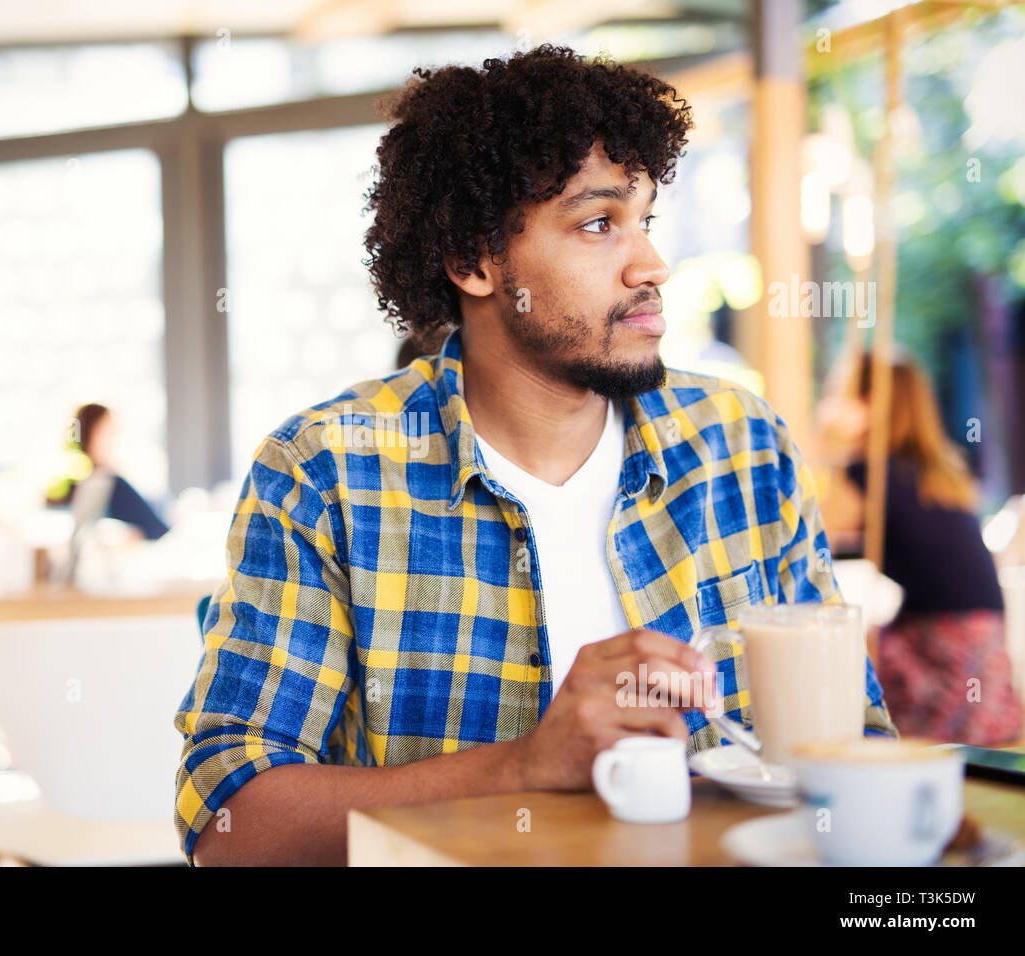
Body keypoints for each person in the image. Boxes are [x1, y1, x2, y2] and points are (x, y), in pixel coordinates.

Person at [175, 46, 896, 867]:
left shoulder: (739, 443)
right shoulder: (326, 471)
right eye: (598, 223)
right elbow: (228, 819)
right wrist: (523, 767)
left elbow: (855, 740)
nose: (651, 264)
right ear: (473, 262)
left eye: (646, 220)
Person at [822, 350, 1022, 746]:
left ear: (865, 405)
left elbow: (805, 532)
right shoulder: (939, 470)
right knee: (863, 636)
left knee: (839, 658)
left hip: (941, 645)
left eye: (838, 395)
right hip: (987, 641)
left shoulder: (870, 473)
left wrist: (828, 444)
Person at [54, 403, 169, 542]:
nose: (115, 439)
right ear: (92, 434)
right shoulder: (109, 483)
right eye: (109, 431)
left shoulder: (74, 484)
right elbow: (157, 529)